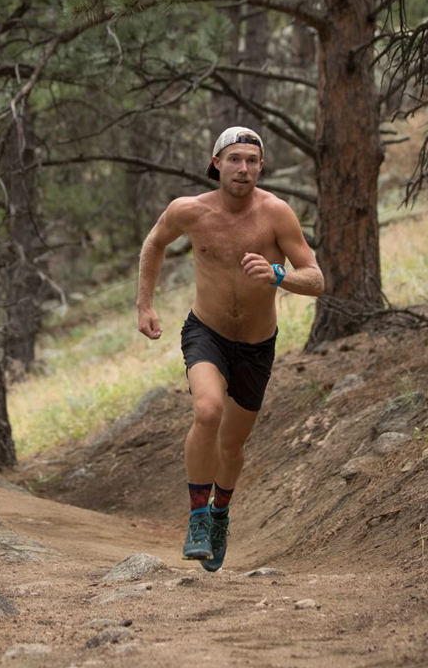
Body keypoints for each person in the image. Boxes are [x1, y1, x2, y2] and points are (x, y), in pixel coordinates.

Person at [135, 126, 324, 571]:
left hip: (257, 346)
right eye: (235, 159)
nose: (244, 168)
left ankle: (220, 512)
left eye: (252, 160)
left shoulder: (276, 214)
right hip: (207, 331)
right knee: (207, 411)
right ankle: (198, 516)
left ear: (261, 166)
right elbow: (154, 242)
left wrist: (279, 276)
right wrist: (144, 303)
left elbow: (316, 279)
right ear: (216, 162)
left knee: (233, 447)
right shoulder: (190, 210)